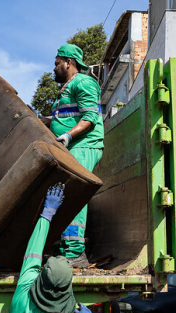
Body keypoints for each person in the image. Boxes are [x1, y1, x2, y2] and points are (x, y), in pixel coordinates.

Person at [0, 183, 103, 313]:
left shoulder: (23, 295)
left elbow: (34, 252)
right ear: (67, 286)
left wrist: (47, 214)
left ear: (42, 276)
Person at [42, 44, 104, 268]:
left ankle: (76, 251)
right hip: (71, 147)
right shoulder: (65, 88)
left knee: (73, 194)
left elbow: (90, 118)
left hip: (84, 145)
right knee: (62, 195)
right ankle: (64, 247)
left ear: (69, 62)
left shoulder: (84, 82)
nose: (54, 68)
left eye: (57, 63)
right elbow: (66, 116)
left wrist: (67, 136)